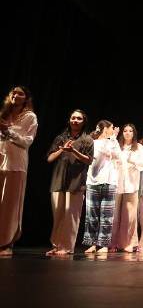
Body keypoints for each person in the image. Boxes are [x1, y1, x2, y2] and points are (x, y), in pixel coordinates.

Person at [46, 109, 93, 255]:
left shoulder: (87, 139)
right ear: (69, 120)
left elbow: (89, 160)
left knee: (71, 216)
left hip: (76, 182)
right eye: (73, 118)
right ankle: (56, 245)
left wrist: (73, 151)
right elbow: (49, 158)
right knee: (58, 216)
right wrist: (62, 150)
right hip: (58, 180)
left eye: (79, 118)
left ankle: (67, 247)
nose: (75, 120)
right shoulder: (61, 137)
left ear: (83, 121)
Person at [0, 86, 37, 255]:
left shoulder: (30, 117)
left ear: (26, 98)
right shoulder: (4, 114)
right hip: (1, 161)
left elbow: (27, 141)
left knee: (11, 205)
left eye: (20, 93)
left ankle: (7, 243)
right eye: (14, 92)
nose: (16, 95)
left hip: (16, 164)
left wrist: (8, 131)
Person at [82, 120, 121, 254]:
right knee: (91, 215)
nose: (113, 130)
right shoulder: (93, 142)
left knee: (107, 215)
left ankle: (103, 244)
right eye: (111, 128)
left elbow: (119, 157)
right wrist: (108, 143)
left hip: (110, 181)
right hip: (93, 181)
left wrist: (113, 140)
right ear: (105, 129)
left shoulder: (113, 142)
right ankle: (92, 243)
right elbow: (96, 159)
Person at [111, 124, 143, 252]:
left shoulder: (139, 147)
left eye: (130, 131)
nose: (127, 133)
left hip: (131, 185)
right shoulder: (118, 146)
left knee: (129, 216)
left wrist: (133, 162)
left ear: (134, 133)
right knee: (114, 215)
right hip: (117, 183)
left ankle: (127, 243)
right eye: (125, 130)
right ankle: (112, 243)